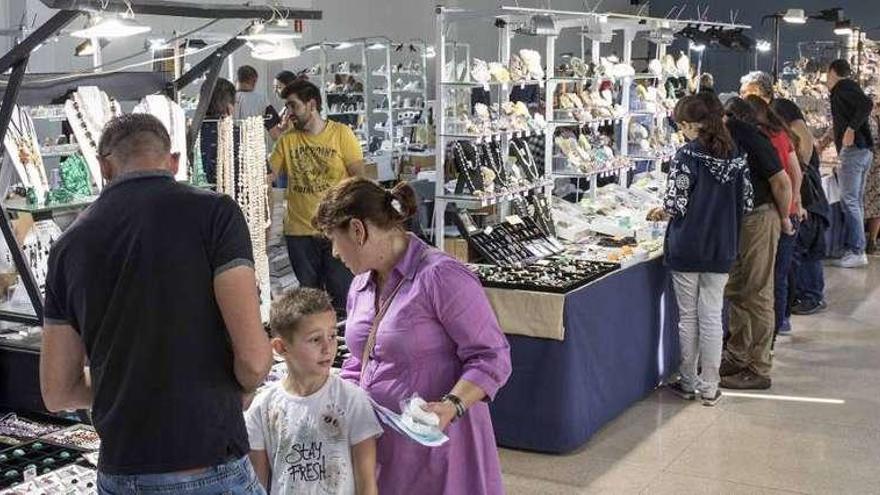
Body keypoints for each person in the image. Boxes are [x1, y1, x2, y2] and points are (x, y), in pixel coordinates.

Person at [40, 114, 272, 493]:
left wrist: (131, 383)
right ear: (174, 161)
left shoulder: (69, 245)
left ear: (103, 166)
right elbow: (254, 359)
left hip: (122, 468)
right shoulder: (215, 214)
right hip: (207, 461)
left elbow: (57, 390)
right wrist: (240, 387)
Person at [313, 178, 512, 495]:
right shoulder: (360, 285)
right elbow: (360, 357)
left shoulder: (441, 276)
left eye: (334, 240)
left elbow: (492, 356)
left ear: (357, 230)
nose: (335, 253)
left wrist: (451, 406)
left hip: (441, 447)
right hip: (382, 447)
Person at [650, 95, 751, 406]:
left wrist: (659, 211)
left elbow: (675, 204)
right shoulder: (736, 155)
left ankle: (689, 380)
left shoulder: (686, 155)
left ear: (691, 124)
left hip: (688, 245)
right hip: (722, 246)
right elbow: (746, 202)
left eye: (681, 124)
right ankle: (711, 385)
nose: (681, 130)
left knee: (688, 317)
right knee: (711, 316)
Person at [246, 288, 382, 495]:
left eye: (333, 335)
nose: (328, 348)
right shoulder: (261, 407)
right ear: (281, 348)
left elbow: (367, 483)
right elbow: (258, 485)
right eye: (315, 339)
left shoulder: (353, 400)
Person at [714, 93, 793, 390]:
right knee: (736, 288)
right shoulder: (729, 135)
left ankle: (759, 367)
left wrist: (783, 218)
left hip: (759, 218)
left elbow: (782, 181)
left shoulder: (747, 136)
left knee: (757, 292)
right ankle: (737, 354)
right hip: (740, 219)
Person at [270, 79, 365, 313]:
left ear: (311, 105)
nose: (289, 113)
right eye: (287, 107)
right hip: (299, 233)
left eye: (293, 106)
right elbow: (269, 175)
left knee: (343, 297)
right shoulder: (287, 140)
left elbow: (359, 180)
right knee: (310, 304)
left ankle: (346, 345)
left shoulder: (342, 134)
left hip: (336, 230)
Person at [740, 71, 830, 315]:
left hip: (788, 204)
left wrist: (796, 192)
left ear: (760, 93)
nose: (743, 97)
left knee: (784, 265)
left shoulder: (779, 112)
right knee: (788, 262)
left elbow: (795, 160)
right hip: (790, 201)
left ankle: (802, 302)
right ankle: (788, 311)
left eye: (746, 92)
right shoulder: (773, 126)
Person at [743, 95, 805, 336]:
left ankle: (772, 331)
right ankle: (781, 322)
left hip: (776, 213)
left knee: (769, 278)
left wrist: (786, 211)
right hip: (786, 211)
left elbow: (783, 180)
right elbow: (796, 173)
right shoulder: (781, 134)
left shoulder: (760, 140)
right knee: (780, 272)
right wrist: (796, 200)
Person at [819, 59, 874, 268]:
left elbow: (866, 104)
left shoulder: (843, 88)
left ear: (832, 71)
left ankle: (857, 250)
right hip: (863, 152)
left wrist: (851, 129)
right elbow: (840, 122)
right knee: (855, 201)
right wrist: (826, 141)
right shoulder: (847, 89)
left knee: (849, 201)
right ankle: (857, 248)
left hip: (853, 152)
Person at [200, 77, 237, 185]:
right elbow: (267, 176)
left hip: (196, 199)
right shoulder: (245, 136)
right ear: (229, 107)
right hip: (236, 200)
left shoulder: (188, 135)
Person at [267, 70, 300, 141]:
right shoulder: (286, 107)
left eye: (278, 87)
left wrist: (270, 123)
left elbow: (284, 138)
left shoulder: (296, 109)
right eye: (274, 87)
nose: (275, 91)